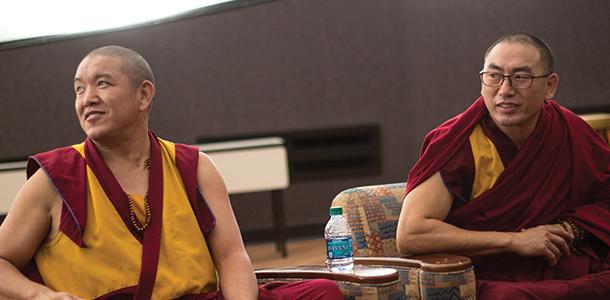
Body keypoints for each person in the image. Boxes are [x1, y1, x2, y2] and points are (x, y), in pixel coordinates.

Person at [0, 46, 343, 299]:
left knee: (321, 293)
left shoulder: (193, 166)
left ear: (143, 95)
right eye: (78, 89)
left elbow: (231, 255)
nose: (87, 98)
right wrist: (39, 295)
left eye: (102, 84)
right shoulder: (54, 179)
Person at [396, 33, 610, 299]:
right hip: (488, 271)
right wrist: (516, 241)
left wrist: (569, 230)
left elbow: (604, 198)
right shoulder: (459, 142)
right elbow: (411, 234)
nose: (505, 89)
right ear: (482, 82)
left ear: (550, 86)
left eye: (521, 77)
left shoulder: (569, 130)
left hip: (558, 262)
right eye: (494, 76)